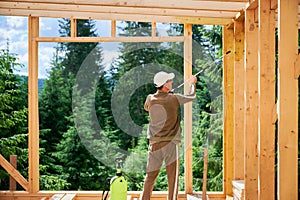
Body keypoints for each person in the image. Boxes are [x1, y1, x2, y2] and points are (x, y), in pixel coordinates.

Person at [140, 71, 197, 200]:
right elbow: (191, 96)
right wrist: (193, 83)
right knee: (172, 179)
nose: (172, 82)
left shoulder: (150, 98)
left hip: (154, 144)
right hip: (170, 144)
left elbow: (146, 107)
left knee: (150, 178)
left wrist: (165, 94)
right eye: (169, 81)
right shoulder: (174, 98)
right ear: (165, 85)